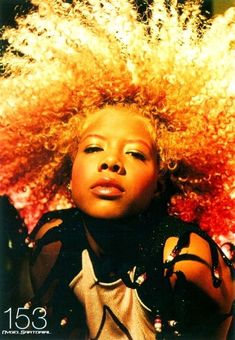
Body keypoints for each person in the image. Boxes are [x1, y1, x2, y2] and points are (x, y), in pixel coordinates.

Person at [0, 0, 234, 339]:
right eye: (93, 148)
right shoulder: (52, 242)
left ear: (160, 181)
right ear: (68, 172)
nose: (111, 162)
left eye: (136, 154)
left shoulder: (187, 264)